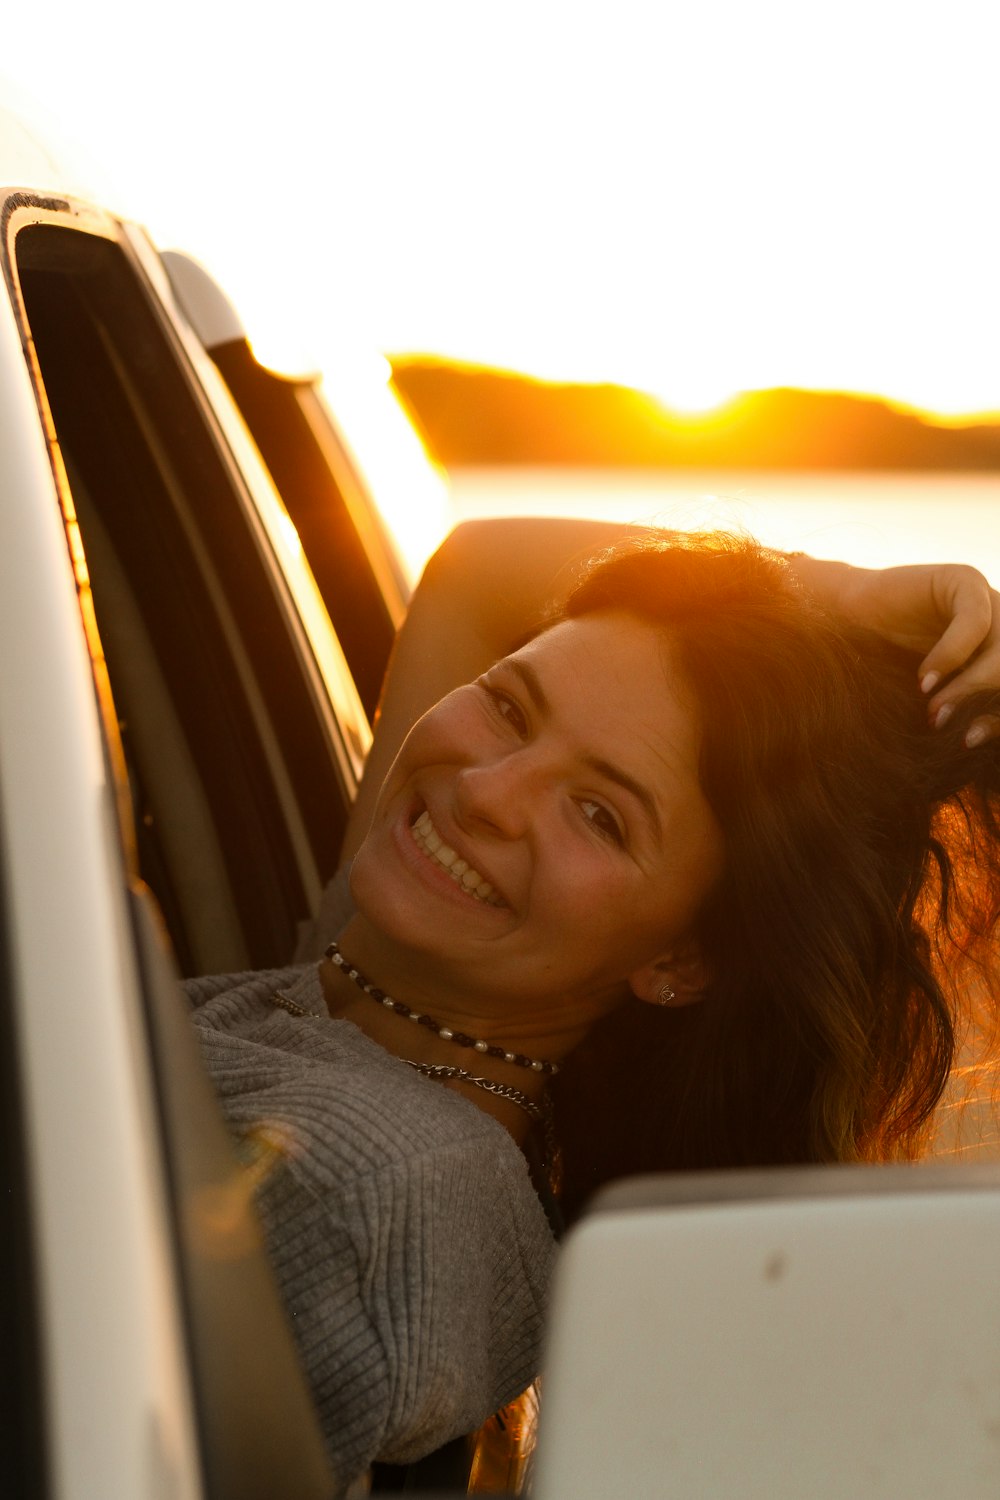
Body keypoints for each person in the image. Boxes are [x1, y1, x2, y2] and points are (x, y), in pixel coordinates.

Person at [189, 518, 1000, 1494]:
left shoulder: (375, 1185)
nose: (488, 791)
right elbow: (477, 573)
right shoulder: (362, 992)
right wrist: (831, 594)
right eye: (509, 707)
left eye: (600, 815)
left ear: (678, 958)